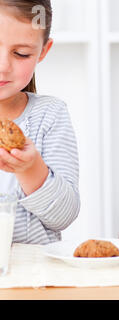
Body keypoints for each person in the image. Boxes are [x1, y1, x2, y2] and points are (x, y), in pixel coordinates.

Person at [0, 0, 80, 244]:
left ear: (43, 51)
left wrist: (31, 170)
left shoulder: (49, 115)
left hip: (36, 275)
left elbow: (64, 216)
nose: (3, 66)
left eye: (21, 54)